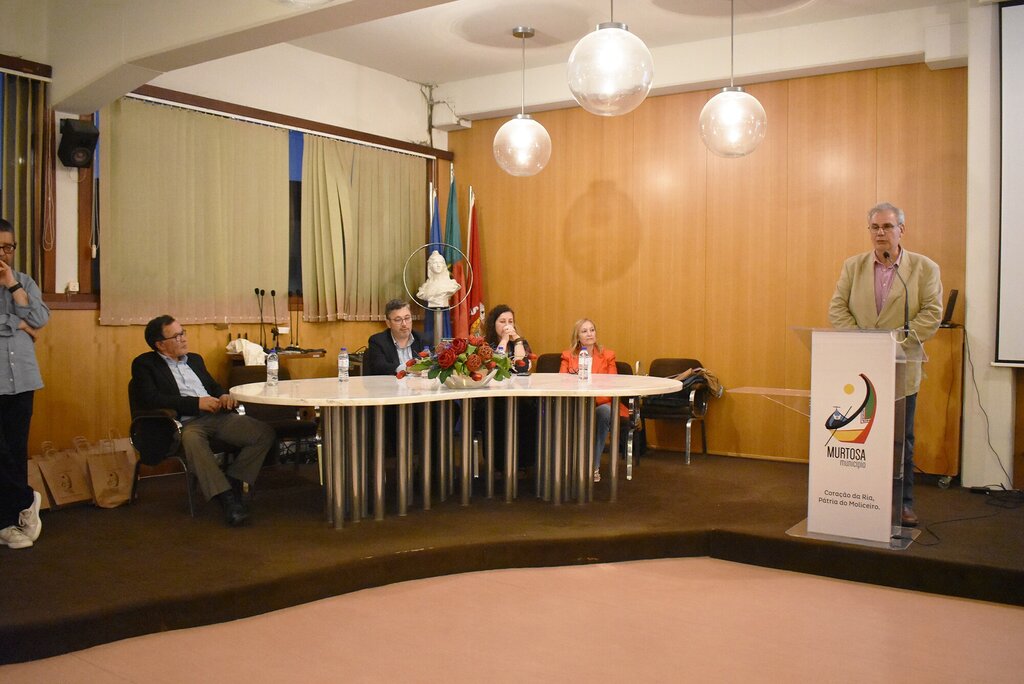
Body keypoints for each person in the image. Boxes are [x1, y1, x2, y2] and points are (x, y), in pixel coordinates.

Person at [828, 202, 942, 527]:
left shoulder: (924, 268)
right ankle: (860, 498)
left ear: (901, 230)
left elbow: (932, 313)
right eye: (875, 227)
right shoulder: (853, 266)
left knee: (900, 441)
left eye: (888, 227)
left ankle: (902, 504)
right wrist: (865, 344)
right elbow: (837, 309)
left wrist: (893, 345)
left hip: (901, 369)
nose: (881, 233)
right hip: (862, 371)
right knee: (860, 436)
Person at [131, 315, 275, 526]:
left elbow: (212, 386)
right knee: (192, 439)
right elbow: (152, 399)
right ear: (160, 344)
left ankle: (234, 480)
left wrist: (223, 395)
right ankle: (227, 499)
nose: (183, 339)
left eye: (183, 333)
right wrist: (196, 403)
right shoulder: (145, 364)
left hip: (216, 415)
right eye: (176, 336)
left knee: (263, 433)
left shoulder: (195, 359)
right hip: (183, 423)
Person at [0, 218, 49, 550]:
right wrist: (16, 323)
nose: (3, 253)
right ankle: (25, 497)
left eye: (9, 247)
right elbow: (26, 322)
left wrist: (13, 286)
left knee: (16, 451)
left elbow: (40, 319)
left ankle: (9, 521)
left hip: (23, 380)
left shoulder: (25, 281)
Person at [559, 318, 630, 483]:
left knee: (604, 413)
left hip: (601, 403)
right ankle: (565, 466)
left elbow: (612, 383)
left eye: (592, 330)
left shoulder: (608, 356)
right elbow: (561, 381)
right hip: (575, 403)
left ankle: (593, 465)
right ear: (577, 336)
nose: (589, 334)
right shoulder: (568, 356)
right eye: (584, 331)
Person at [480, 304, 535, 471]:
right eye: (502, 321)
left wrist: (516, 340)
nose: (507, 325)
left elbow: (522, 367)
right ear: (493, 323)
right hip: (492, 396)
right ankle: (499, 464)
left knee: (529, 410)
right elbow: (495, 367)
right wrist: (504, 341)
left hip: (517, 393)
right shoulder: (484, 344)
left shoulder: (520, 342)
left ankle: (524, 462)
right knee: (499, 412)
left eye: (510, 321)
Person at [365, 299, 428, 376]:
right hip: (390, 383)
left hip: (418, 383)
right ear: (388, 323)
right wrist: (406, 369)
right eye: (398, 320)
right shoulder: (378, 341)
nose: (404, 324)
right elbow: (379, 366)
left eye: (407, 318)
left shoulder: (422, 339)